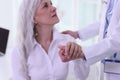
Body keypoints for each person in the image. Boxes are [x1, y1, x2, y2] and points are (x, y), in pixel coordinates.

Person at [11, 0, 89, 80]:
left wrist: (78, 56)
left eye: (51, 4)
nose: (53, 8)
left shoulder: (67, 41)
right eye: (45, 6)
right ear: (34, 18)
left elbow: (82, 76)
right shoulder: (20, 51)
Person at [62, 0, 120, 80]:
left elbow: (117, 40)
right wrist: (78, 34)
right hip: (108, 65)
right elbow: (105, 22)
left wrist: (83, 53)